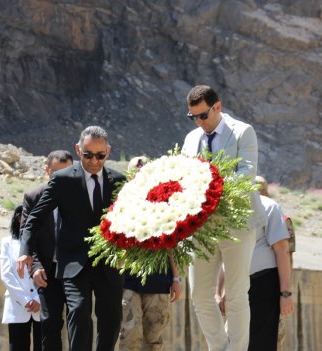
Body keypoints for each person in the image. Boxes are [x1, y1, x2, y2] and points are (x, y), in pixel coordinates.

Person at [17, 126, 125, 351]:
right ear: (78, 150)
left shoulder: (119, 181)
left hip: (109, 262)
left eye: (100, 155)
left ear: (108, 151)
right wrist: (25, 251)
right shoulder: (63, 180)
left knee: (112, 319)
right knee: (78, 313)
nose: (94, 160)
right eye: (88, 154)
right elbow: (35, 218)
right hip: (74, 262)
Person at [180, 85, 266, 351]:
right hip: (201, 229)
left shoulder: (243, 132)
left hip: (236, 224)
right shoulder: (191, 138)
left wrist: (207, 188)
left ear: (218, 107)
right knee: (200, 295)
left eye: (203, 115)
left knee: (237, 294)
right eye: (193, 116)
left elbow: (245, 176)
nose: (198, 122)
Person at [119, 156, 182, 351]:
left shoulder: (166, 204)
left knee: (154, 336)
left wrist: (177, 278)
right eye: (137, 172)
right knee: (130, 332)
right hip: (128, 277)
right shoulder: (121, 203)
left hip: (159, 276)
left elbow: (172, 243)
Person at [20, 150, 73, 350]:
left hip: (75, 270)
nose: (61, 179)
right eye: (56, 173)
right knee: (49, 322)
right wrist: (34, 266)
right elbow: (27, 234)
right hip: (47, 272)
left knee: (78, 321)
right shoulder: (34, 197)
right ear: (47, 171)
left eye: (66, 173)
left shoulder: (81, 196)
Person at [253, 176, 295, 351]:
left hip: (268, 283)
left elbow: (285, 253)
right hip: (248, 284)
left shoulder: (276, 214)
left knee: (271, 338)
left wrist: (284, 292)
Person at [1, 204, 42, 351]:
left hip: (42, 304)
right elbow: (6, 275)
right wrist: (26, 300)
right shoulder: (7, 243)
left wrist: (37, 300)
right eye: (22, 215)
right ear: (17, 218)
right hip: (17, 305)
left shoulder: (44, 241)